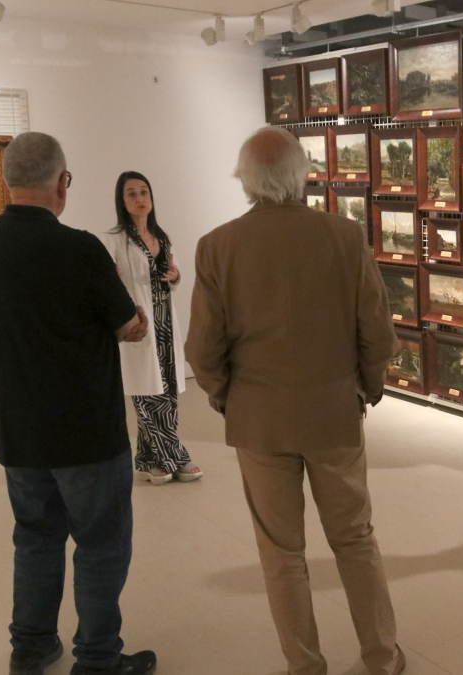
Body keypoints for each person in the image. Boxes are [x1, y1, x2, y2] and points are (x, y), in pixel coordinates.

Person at [185, 126, 404, 675]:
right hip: (333, 415)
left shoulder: (217, 247)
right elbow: (376, 333)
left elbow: (202, 349)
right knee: (355, 540)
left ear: (245, 181)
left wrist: (225, 397)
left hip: (259, 423)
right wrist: (366, 389)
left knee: (282, 555)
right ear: (301, 173)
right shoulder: (344, 236)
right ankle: (381, 657)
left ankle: (304, 666)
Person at [0, 132, 156, 675]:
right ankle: (97, 658)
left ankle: (30, 646)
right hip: (84, 432)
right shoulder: (79, 247)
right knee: (100, 543)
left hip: (15, 428)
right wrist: (131, 308)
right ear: (62, 183)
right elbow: (130, 327)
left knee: (35, 536)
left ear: (8, 182)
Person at [105, 171, 200, 485]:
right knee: (148, 394)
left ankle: (147, 459)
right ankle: (176, 456)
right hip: (139, 328)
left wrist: (175, 276)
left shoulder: (162, 237)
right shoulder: (115, 240)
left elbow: (172, 274)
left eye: (144, 192)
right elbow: (108, 284)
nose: (139, 199)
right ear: (122, 201)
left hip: (165, 325)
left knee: (167, 391)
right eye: (131, 193)